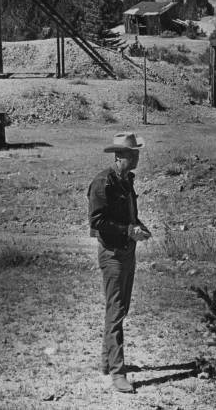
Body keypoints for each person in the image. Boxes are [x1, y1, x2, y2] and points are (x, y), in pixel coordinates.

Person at [87, 133, 151, 393]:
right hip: (112, 253)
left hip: (126, 251)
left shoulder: (125, 180)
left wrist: (139, 226)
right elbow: (97, 222)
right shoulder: (103, 183)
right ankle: (117, 373)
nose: (136, 157)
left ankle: (107, 362)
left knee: (120, 309)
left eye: (136, 152)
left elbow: (126, 213)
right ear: (119, 156)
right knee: (115, 312)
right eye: (132, 153)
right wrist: (127, 230)